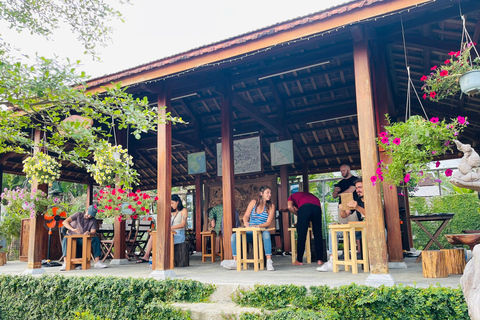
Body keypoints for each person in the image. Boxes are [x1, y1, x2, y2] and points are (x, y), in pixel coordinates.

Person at [222, 186, 275, 271]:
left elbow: (268, 223)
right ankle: (235, 261)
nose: (270, 194)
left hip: (261, 232)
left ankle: (269, 261)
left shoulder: (271, 206)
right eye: (267, 192)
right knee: (234, 236)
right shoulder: (253, 202)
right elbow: (245, 216)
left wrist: (258, 226)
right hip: (250, 231)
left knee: (266, 235)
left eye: (270, 193)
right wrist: (246, 222)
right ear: (261, 194)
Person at [318, 178, 364, 272]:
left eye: (360, 187)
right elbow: (344, 215)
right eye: (356, 188)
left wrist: (357, 207)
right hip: (358, 231)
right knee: (334, 230)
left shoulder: (372, 199)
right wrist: (342, 209)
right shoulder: (357, 200)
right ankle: (332, 260)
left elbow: (371, 214)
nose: (358, 190)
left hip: (369, 230)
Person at [137, 194, 187, 263]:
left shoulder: (183, 210)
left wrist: (169, 228)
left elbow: (182, 224)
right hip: (170, 233)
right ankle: (146, 256)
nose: (171, 205)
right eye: (170, 204)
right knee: (153, 236)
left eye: (172, 203)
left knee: (163, 240)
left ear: (177, 201)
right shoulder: (171, 212)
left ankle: (161, 261)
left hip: (179, 235)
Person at [59, 204, 107, 270]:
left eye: (91, 215)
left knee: (95, 239)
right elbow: (65, 222)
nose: (89, 216)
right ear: (86, 210)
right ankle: (65, 263)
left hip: (83, 239)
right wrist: (72, 229)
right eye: (89, 214)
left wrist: (89, 232)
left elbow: (93, 231)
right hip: (71, 237)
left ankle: (97, 262)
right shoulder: (78, 215)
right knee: (65, 239)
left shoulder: (93, 220)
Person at [287, 191, 324, 266]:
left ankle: (299, 260)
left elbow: (289, 207)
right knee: (318, 234)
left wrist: (297, 214)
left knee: (301, 234)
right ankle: (320, 260)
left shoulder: (291, 196)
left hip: (305, 208)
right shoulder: (309, 195)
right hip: (317, 208)